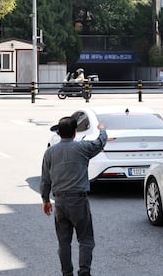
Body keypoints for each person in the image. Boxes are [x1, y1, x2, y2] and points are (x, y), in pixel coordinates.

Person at [40, 117, 108, 276]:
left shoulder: (50, 152)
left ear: (59, 132)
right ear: (74, 132)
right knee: (85, 240)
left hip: (59, 202)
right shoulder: (82, 147)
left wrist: (45, 200)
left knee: (64, 242)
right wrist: (102, 129)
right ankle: (84, 272)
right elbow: (100, 142)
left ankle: (67, 273)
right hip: (78, 201)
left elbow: (45, 179)